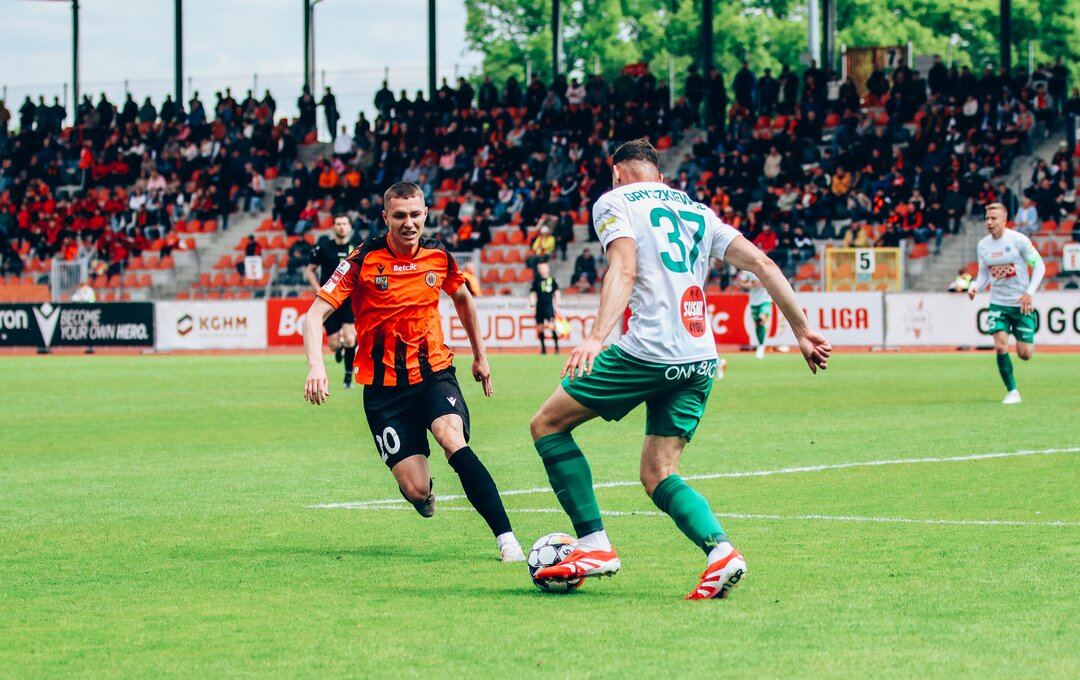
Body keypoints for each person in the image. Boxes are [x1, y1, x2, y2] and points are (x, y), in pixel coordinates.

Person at [527, 139, 831, 599]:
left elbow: (623, 270)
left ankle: (593, 543)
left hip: (647, 351)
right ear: (661, 177)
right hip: (699, 357)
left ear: (616, 172)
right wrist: (803, 331)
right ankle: (721, 553)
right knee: (659, 472)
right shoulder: (697, 211)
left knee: (547, 424)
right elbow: (762, 263)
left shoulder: (614, 201)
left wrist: (595, 337)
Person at [302, 181, 525, 562]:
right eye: (400, 215)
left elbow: (464, 300)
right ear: (385, 217)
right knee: (416, 490)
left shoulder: (438, 256)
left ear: (426, 214)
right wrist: (315, 366)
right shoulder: (362, 259)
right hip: (384, 390)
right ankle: (422, 493)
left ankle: (508, 540)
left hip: (433, 373)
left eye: (415, 214)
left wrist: (480, 356)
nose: (409, 223)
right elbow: (313, 316)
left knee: (451, 438)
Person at [967, 202, 1045, 404]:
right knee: (1001, 346)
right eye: (987, 218)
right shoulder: (983, 245)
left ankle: (1025, 340)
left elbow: (1039, 266)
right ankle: (1012, 391)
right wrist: (976, 286)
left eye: (993, 218)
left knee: (1025, 354)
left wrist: (1029, 293)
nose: (989, 222)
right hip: (998, 304)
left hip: (1021, 304)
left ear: (1004, 220)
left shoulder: (1019, 240)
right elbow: (984, 274)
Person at [305, 214, 361, 389]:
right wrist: (318, 289)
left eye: (344, 223)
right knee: (334, 344)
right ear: (333, 227)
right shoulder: (323, 247)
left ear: (350, 227)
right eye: (338, 223)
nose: (341, 227)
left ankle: (348, 376)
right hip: (329, 300)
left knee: (350, 338)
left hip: (348, 299)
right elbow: (310, 271)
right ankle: (341, 349)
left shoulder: (357, 248)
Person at [737, 269, 772, 359]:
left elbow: (772, 280)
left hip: (765, 300)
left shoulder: (764, 268)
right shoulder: (748, 270)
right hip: (754, 301)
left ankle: (762, 346)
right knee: (757, 324)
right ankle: (761, 344)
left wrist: (761, 283)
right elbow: (741, 283)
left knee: (761, 318)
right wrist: (749, 285)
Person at [530, 261, 560, 355]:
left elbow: (557, 293)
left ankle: (556, 348)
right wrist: (532, 305)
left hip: (549, 307)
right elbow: (533, 294)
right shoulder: (536, 281)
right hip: (539, 307)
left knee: (552, 327)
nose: (542, 270)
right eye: (540, 268)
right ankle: (543, 349)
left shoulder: (552, 280)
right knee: (540, 328)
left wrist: (556, 305)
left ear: (548, 269)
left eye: (544, 268)